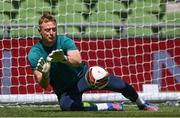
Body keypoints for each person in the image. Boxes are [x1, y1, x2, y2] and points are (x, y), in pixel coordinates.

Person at [28, 12, 159, 111]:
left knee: (121, 85)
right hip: (65, 89)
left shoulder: (64, 41)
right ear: (40, 31)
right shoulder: (35, 53)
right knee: (67, 107)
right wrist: (46, 73)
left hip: (84, 76)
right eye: (47, 30)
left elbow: (78, 61)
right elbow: (43, 84)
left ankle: (141, 103)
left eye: (54, 29)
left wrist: (64, 59)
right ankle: (108, 106)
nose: (51, 33)